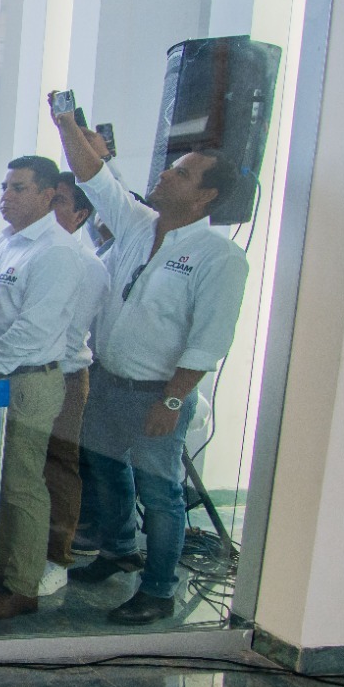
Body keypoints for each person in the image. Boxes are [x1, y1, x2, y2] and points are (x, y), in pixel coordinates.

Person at [53, 98, 248, 625]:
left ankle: (158, 588)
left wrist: (172, 398)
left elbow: (210, 339)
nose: (166, 172)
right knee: (109, 472)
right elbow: (94, 178)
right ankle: (119, 550)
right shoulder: (140, 223)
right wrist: (67, 125)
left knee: (160, 494)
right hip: (109, 383)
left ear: (206, 195)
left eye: (182, 173)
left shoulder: (218, 256)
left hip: (158, 393)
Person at [0, 155, 88, 619]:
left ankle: (23, 585)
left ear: (48, 195)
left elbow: (32, 328)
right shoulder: (5, 241)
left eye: (19, 187)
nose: (6, 196)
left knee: (22, 485)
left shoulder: (56, 251)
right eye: (5, 185)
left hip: (24, 381)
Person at [43, 172, 108, 581]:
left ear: (81, 213)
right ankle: (9, 560)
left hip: (62, 375)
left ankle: (55, 560)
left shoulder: (86, 265)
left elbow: (63, 333)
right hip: (18, 372)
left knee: (58, 468)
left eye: (60, 202)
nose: (49, 209)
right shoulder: (18, 247)